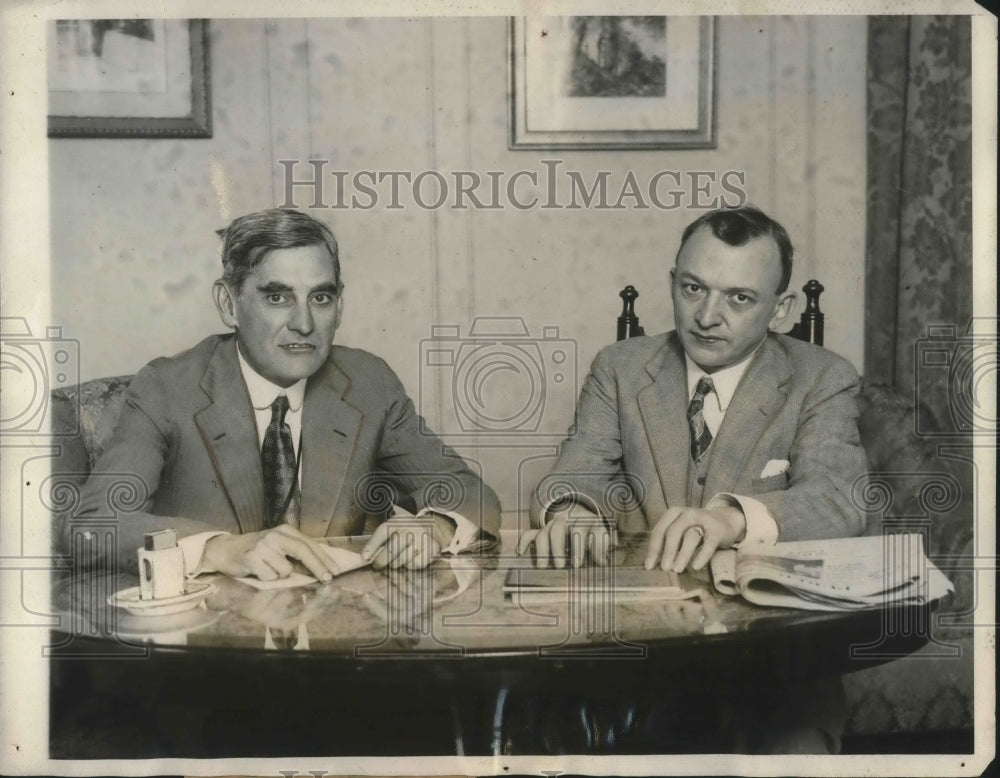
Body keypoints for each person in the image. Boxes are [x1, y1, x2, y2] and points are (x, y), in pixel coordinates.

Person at [517, 204, 869, 754]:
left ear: (781, 310)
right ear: (672, 283)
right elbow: (576, 472)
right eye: (693, 288)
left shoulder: (823, 379)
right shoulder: (621, 367)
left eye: (739, 298)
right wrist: (573, 509)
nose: (707, 315)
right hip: (632, 664)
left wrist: (730, 519)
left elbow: (839, 500)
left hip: (773, 668)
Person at [66, 208, 500, 581]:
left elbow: (470, 492)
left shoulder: (368, 383)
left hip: (332, 645)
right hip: (209, 650)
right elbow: (92, 525)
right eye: (277, 296)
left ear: (340, 307)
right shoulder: (167, 387)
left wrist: (437, 526)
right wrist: (217, 550)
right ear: (228, 304)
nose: (305, 324)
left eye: (321, 297)